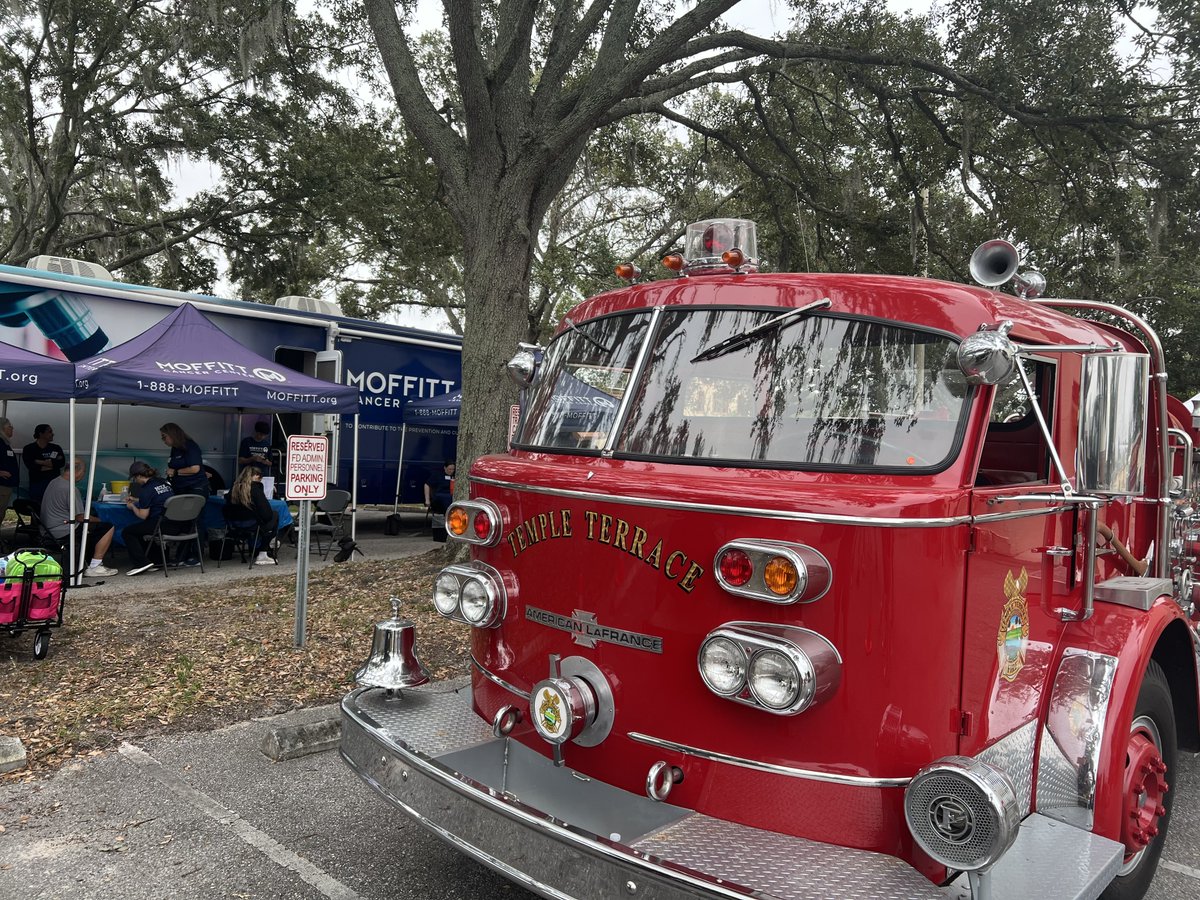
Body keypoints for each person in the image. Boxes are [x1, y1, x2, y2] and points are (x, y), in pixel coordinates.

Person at [40, 457, 117, 577]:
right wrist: (101, 519)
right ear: (78, 472)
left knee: (92, 527)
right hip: (63, 530)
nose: (84, 475)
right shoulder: (70, 488)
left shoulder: (54, 482)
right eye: (84, 471)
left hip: (48, 529)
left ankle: (87, 561)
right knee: (107, 527)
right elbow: (81, 517)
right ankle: (95, 566)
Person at [160, 422, 208, 566]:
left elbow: (195, 469)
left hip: (195, 488)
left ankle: (196, 555)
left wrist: (175, 472)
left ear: (173, 435)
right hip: (181, 488)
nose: (163, 440)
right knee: (184, 522)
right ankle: (182, 556)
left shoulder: (190, 446)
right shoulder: (175, 449)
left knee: (195, 521)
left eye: (164, 437)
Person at [122, 461, 176, 576]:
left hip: (161, 525)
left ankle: (141, 563)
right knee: (142, 529)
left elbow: (143, 515)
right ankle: (157, 560)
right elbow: (157, 498)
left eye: (134, 478)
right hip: (177, 523)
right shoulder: (163, 482)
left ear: (139, 476)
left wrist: (132, 507)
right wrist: (137, 499)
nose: (135, 481)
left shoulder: (146, 489)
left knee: (128, 532)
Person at [224, 466, 278, 565]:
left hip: (233, 525)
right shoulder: (255, 490)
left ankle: (258, 545)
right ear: (256, 476)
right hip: (252, 525)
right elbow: (267, 514)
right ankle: (263, 552)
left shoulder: (234, 488)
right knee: (274, 515)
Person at [22, 423, 65, 506]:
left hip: (54, 484)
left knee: (53, 506)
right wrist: (51, 465)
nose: (52, 434)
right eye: (49, 431)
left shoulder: (56, 448)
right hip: (37, 484)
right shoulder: (29, 448)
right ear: (41, 434)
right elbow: (31, 466)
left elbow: (60, 463)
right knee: (37, 507)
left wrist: (39, 462)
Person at [0, 417, 17, 523]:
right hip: (1, 484)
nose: (12, 429)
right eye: (10, 426)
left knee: (2, 511)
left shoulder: (5, 443)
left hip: (6, 485)